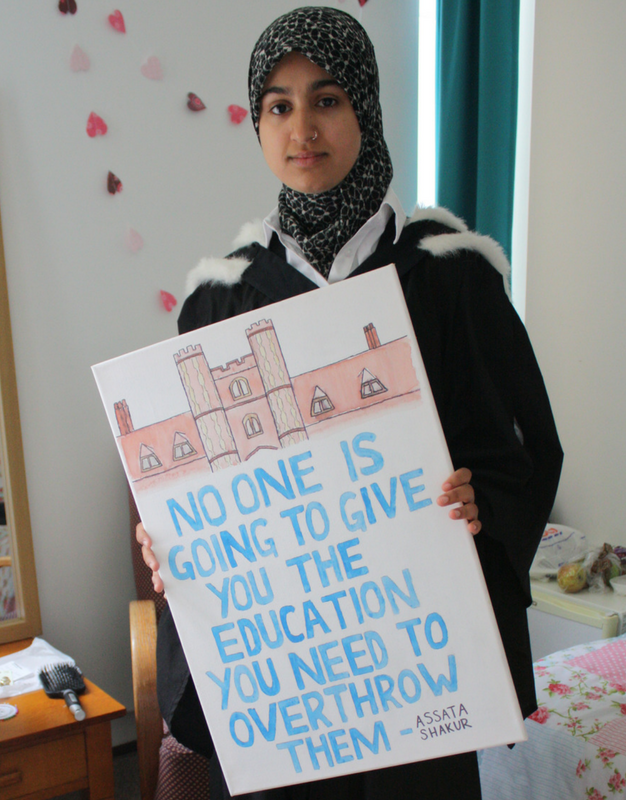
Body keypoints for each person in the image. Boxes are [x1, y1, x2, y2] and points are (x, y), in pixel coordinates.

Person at [136, 7, 563, 799]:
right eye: (278, 106)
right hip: (286, 676)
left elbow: (521, 453)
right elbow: (197, 480)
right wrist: (169, 535)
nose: (302, 129)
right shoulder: (221, 299)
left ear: (364, 107)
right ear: (258, 124)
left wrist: (483, 499)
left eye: (326, 100)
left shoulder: (449, 275)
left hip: (417, 661)